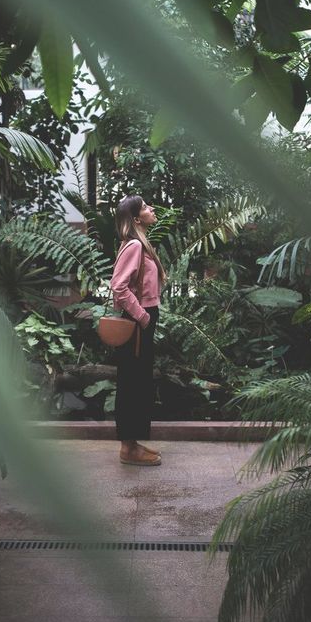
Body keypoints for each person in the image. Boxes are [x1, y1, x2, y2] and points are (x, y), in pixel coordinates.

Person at [111, 194, 167, 466]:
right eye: (145, 207)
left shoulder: (139, 244)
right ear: (135, 219)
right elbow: (118, 286)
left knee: (138, 382)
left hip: (142, 317)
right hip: (138, 320)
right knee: (133, 384)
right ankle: (128, 448)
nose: (151, 209)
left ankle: (132, 444)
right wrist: (143, 317)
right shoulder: (134, 245)